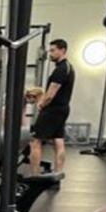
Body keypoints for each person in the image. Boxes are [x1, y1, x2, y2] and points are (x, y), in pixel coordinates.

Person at [30, 39, 75, 175]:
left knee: (35, 141)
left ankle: (34, 175)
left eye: (53, 50)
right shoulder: (69, 67)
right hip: (63, 109)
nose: (50, 53)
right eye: (50, 50)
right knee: (58, 141)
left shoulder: (61, 70)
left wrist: (41, 104)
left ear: (62, 50)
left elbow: (50, 94)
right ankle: (58, 172)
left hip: (53, 110)